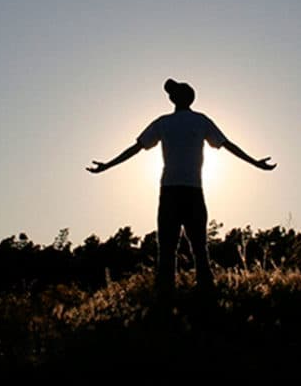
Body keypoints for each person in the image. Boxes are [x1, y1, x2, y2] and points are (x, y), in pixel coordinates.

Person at [87, 79, 276, 295]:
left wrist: (255, 163)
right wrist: (107, 165)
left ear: (180, 98)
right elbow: (226, 145)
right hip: (186, 191)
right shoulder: (186, 121)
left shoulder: (173, 122)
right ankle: (195, 297)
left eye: (173, 92)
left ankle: (178, 297)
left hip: (175, 192)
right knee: (190, 249)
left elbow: (137, 148)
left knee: (177, 250)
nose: (170, 95)